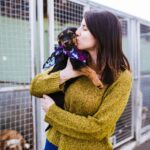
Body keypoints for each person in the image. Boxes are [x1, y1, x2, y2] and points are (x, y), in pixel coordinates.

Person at [30, 10, 133, 150]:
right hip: (53, 142)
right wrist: (66, 74)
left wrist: (53, 112)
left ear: (101, 35)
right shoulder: (72, 59)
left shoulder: (121, 77)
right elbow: (35, 87)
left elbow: (98, 128)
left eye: (84, 28)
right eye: (79, 26)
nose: (76, 32)